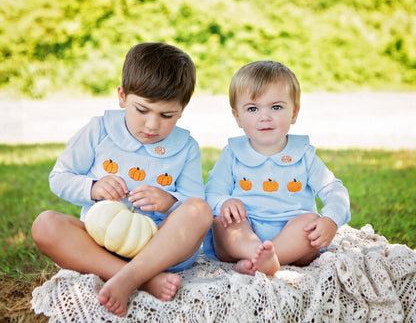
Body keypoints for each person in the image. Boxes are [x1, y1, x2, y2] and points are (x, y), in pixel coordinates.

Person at [32, 42, 213, 317]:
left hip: (164, 253)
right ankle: (139, 278)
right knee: (45, 225)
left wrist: (169, 200)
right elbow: (59, 177)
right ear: (122, 96)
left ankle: (134, 276)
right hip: (101, 244)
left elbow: (194, 201)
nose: (152, 125)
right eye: (141, 110)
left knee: (200, 211)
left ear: (182, 109)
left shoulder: (186, 147)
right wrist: (93, 188)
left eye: (167, 115)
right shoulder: (100, 129)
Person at [203, 60, 350, 276]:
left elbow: (334, 190)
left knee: (309, 222)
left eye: (276, 107)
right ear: (238, 117)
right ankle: (257, 256)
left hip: (292, 237)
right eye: (253, 108)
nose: (265, 117)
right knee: (222, 223)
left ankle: (267, 259)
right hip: (244, 232)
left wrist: (331, 220)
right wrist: (224, 202)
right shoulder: (232, 154)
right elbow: (211, 191)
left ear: (294, 113)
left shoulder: (304, 155)